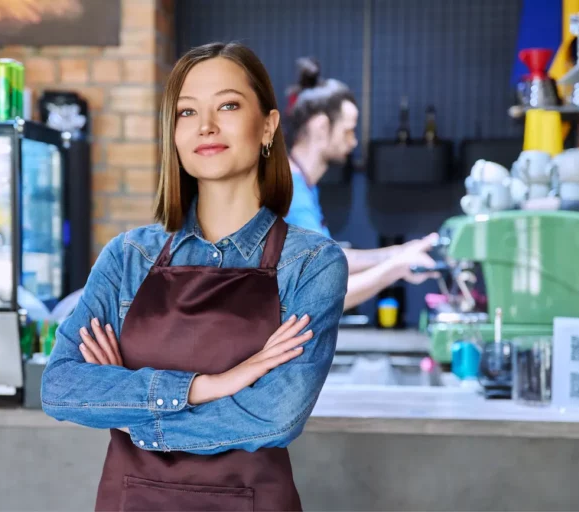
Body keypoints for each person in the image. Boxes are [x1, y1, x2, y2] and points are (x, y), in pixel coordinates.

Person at [41, 42, 348, 511]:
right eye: (187, 112)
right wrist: (210, 385)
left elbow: (274, 417)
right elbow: (60, 386)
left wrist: (133, 414)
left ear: (267, 125)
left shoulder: (311, 263)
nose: (206, 126)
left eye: (227, 105)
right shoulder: (129, 257)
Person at [284, 57, 439, 310]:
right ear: (322, 127)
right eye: (348, 130)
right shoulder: (290, 190)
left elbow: (329, 259)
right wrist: (397, 267)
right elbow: (321, 293)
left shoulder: (301, 185)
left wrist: (398, 252)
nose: (353, 142)